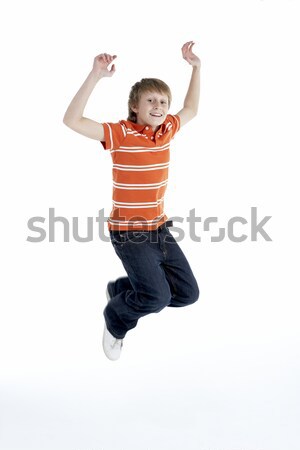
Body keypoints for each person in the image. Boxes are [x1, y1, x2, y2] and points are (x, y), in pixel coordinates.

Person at [63, 41, 201, 361]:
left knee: (187, 294)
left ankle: (125, 289)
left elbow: (191, 108)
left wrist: (196, 67)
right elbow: (72, 120)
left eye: (164, 101)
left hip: (160, 229)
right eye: (150, 100)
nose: (159, 105)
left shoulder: (167, 129)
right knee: (154, 298)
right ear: (135, 107)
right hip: (129, 232)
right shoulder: (121, 133)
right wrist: (94, 76)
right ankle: (116, 318)